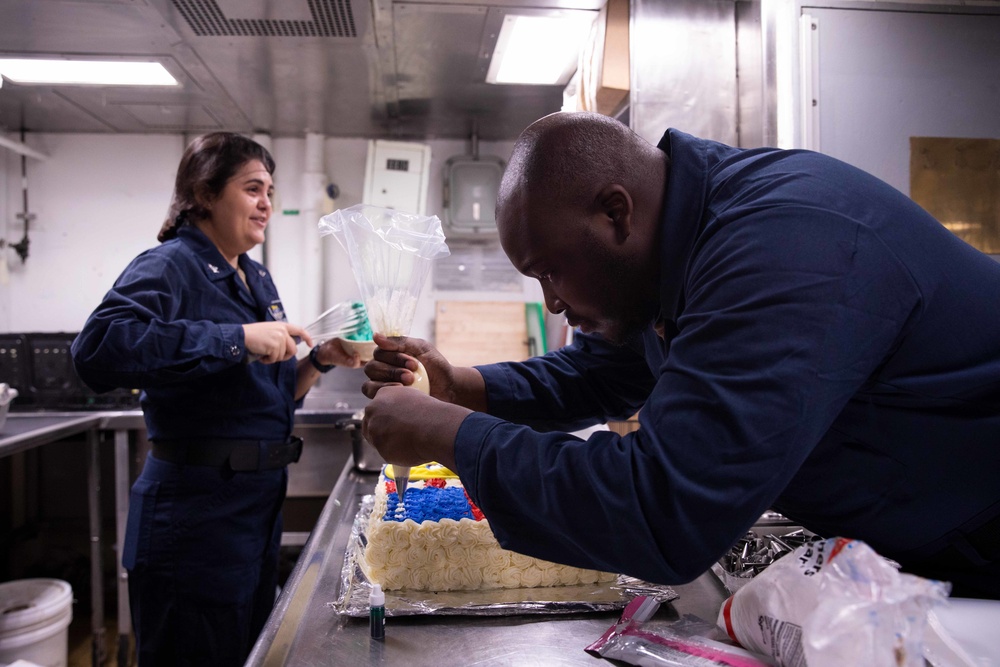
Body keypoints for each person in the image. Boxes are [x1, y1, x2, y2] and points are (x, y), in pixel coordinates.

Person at [360, 111, 1000, 600]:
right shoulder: (681, 253)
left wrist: (448, 434)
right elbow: (607, 369)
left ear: (616, 214)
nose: (551, 305)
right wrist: (460, 387)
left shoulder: (782, 244)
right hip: (926, 545)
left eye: (551, 272)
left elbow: (662, 511)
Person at [71, 132, 361, 664]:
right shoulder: (169, 265)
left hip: (251, 516)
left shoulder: (254, 277)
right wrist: (235, 338)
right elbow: (96, 351)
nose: (267, 203)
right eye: (253, 188)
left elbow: (264, 402)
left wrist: (319, 361)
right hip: (193, 518)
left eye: (270, 190)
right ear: (205, 194)